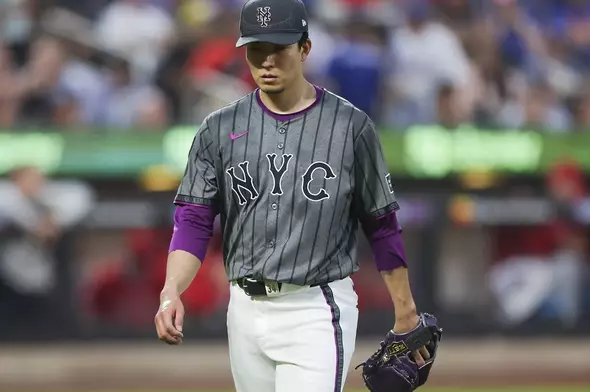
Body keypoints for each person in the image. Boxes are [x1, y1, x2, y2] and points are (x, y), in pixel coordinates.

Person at [154, 0, 432, 391]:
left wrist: (406, 314)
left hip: (316, 308)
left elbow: (382, 225)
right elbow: (194, 220)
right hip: (244, 308)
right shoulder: (217, 129)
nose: (266, 61)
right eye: (256, 49)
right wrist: (171, 292)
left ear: (304, 48)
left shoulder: (350, 127)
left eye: (278, 49)